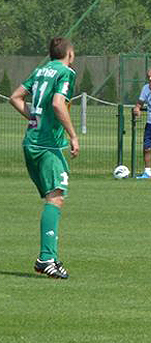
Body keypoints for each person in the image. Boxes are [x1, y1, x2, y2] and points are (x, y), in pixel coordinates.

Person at [9, 37, 79, 279]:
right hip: (47, 145)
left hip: (31, 141)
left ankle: (50, 257)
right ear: (69, 54)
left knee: (55, 196)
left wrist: (34, 119)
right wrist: (73, 135)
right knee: (56, 197)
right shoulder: (65, 72)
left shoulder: (41, 71)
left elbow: (15, 97)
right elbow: (59, 104)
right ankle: (46, 259)